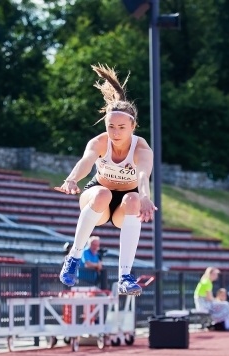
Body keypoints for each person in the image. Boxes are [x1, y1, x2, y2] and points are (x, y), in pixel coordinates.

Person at [55, 64, 156, 296]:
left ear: (133, 126)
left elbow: (142, 176)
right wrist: (71, 179)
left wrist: (146, 198)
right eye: (111, 126)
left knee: (133, 199)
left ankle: (125, 276)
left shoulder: (141, 148)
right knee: (103, 193)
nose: (116, 132)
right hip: (98, 194)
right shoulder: (100, 141)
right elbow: (86, 161)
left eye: (121, 127)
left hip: (125, 204)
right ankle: (73, 258)